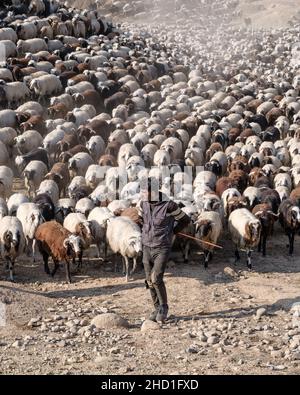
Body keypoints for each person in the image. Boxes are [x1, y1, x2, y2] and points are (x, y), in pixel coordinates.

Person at [137, 178, 191, 323]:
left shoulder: (169, 206)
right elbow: (141, 219)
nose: (141, 193)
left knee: (156, 278)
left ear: (153, 191)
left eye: (144, 191)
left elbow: (185, 220)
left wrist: (173, 231)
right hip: (147, 245)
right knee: (149, 280)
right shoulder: (143, 204)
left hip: (162, 246)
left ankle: (163, 308)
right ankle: (156, 308)